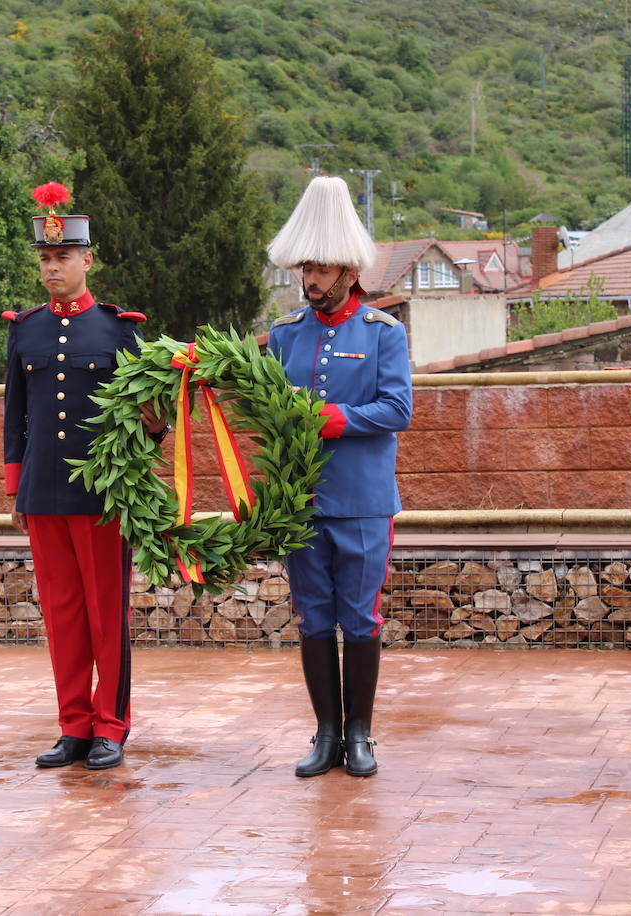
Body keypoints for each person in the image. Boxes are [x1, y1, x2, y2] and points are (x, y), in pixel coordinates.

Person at [2, 183, 166, 771]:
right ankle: (73, 725)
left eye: (62, 257)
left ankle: (110, 726)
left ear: (86, 259)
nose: (52, 267)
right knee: (64, 614)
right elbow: (15, 413)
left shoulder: (120, 331)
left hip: (103, 495)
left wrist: (153, 429)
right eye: (45, 259)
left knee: (105, 613)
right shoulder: (25, 330)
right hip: (43, 491)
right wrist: (14, 487)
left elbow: (149, 417)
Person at [265, 176, 413, 778]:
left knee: (360, 617)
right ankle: (326, 734)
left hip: (362, 501)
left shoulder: (384, 333)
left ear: (349, 272)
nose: (310, 281)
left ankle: (360, 737)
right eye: (305, 269)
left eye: (321, 270)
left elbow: (398, 408)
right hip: (303, 503)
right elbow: (267, 412)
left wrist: (338, 419)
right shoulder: (282, 336)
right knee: (314, 616)